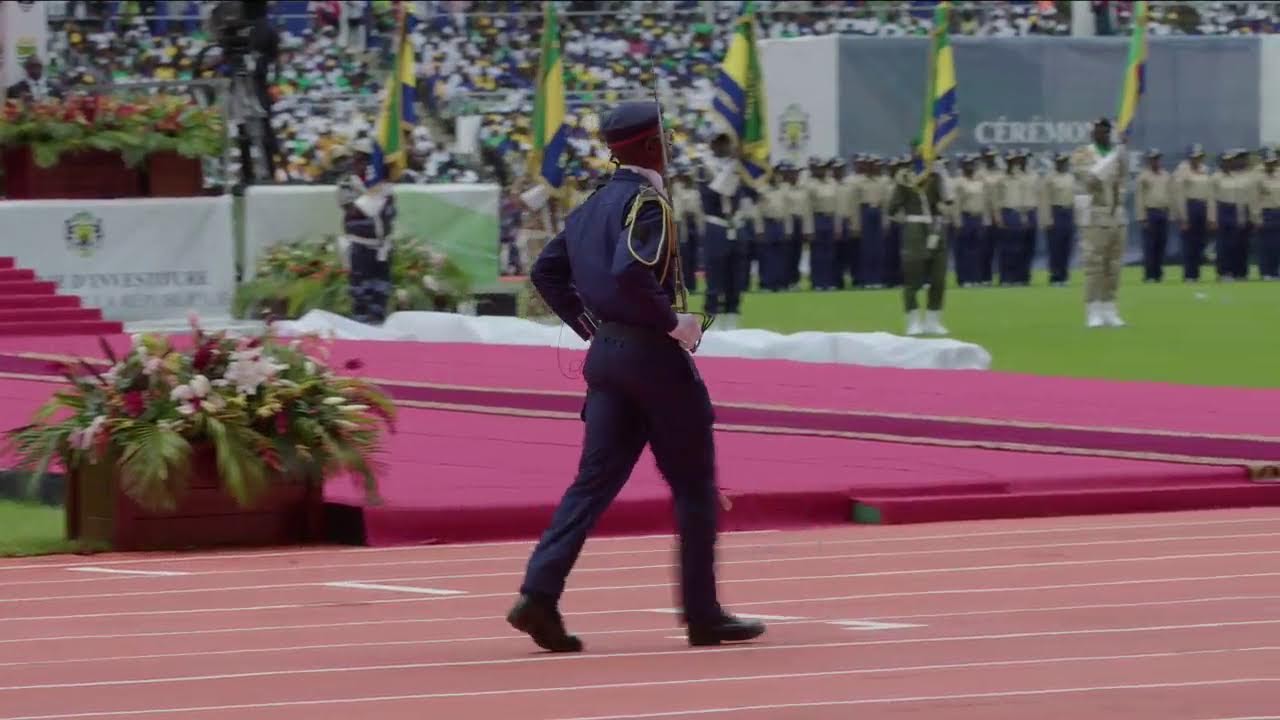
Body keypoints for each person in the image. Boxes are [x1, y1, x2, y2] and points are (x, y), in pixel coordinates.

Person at [509, 101, 766, 653]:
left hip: (607, 359)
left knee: (592, 484)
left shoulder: (590, 206)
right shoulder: (648, 203)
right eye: (666, 141)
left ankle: (539, 592)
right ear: (652, 147)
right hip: (653, 359)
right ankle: (703, 614)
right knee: (694, 486)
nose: (672, 150)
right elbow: (631, 274)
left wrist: (591, 327)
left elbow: (545, 272)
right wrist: (675, 323)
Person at [888, 142, 952, 336]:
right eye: (921, 150)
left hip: (936, 228)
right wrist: (909, 222)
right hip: (915, 230)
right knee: (912, 277)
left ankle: (933, 320)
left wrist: (944, 175)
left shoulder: (936, 175)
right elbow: (892, 208)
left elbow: (948, 200)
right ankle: (913, 321)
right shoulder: (905, 176)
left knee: (938, 277)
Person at [1070, 117, 1128, 328]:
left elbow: (1123, 176)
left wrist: (1120, 153)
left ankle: (1109, 308)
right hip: (1095, 214)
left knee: (1113, 265)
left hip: (1116, 215)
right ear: (1092, 133)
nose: (1103, 134)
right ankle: (1093, 310)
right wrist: (1114, 156)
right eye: (1099, 130)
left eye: (1106, 130)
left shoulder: (1115, 153)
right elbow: (1091, 179)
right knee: (1094, 264)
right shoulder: (1082, 154)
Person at [337, 139, 395, 324]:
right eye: (360, 159)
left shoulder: (383, 185)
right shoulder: (347, 183)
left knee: (381, 296)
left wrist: (379, 193)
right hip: (360, 247)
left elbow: (390, 213)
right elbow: (351, 211)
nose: (363, 164)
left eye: (369, 160)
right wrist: (373, 197)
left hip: (381, 249)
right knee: (360, 297)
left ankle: (378, 332)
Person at [1174, 144, 1215, 282]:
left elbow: (1210, 195)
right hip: (1189, 207)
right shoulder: (1182, 170)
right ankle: (1189, 274)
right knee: (1189, 244)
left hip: (1203, 207)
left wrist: (1211, 217)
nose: (1197, 160)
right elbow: (1179, 195)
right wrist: (1183, 218)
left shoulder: (1205, 170)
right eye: (1194, 157)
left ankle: (1196, 273)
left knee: (1200, 243)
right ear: (1189, 157)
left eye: (1199, 157)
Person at [1039, 152, 1076, 286]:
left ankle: (1064, 275)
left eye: (1065, 161)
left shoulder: (1071, 177)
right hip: (1056, 212)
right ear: (1055, 163)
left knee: (1067, 246)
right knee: (1055, 247)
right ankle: (1055, 275)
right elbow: (1044, 200)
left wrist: (1075, 217)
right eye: (1060, 161)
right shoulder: (1049, 178)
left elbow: (1074, 198)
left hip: (1068, 212)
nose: (1062, 164)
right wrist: (1047, 219)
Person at [1135, 149, 1172, 282]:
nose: (1156, 161)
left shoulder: (1166, 175)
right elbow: (1139, 198)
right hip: (1150, 213)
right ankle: (1149, 274)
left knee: (1161, 245)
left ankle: (1158, 274)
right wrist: (1142, 217)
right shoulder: (1143, 177)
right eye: (1153, 159)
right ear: (1148, 160)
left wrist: (1170, 213)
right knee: (1149, 246)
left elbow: (1170, 195)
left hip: (1163, 212)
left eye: (1158, 158)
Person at [1254, 149, 1280, 280]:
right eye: (1269, 162)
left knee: (1277, 245)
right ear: (1264, 163)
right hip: (1266, 213)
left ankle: (1275, 271)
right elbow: (1254, 199)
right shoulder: (1258, 177)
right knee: (1265, 245)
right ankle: (1265, 272)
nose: (1271, 165)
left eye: (1274, 162)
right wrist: (1257, 217)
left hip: (1278, 213)